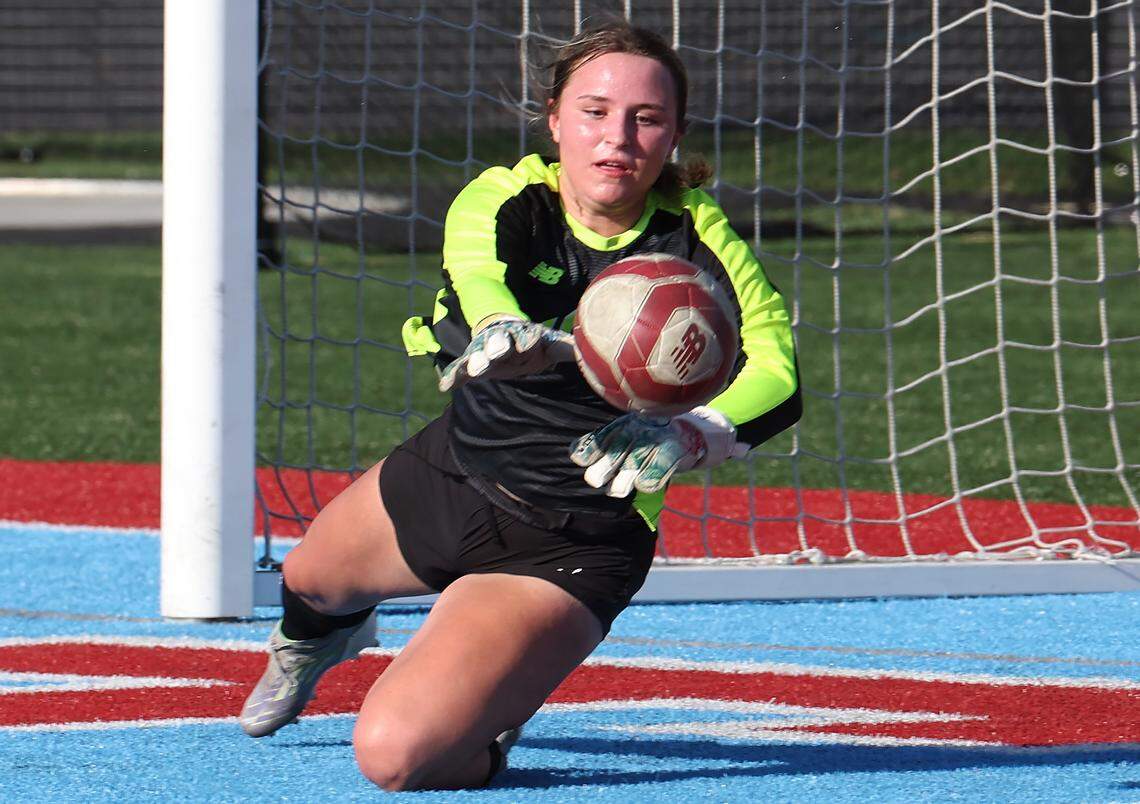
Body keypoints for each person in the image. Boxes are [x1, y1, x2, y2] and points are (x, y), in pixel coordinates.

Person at [238, 21, 801, 791]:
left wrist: (694, 433)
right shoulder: (508, 198)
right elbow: (476, 272)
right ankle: (315, 646)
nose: (619, 138)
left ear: (675, 134)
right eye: (595, 111)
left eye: (646, 118)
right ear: (555, 119)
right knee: (308, 581)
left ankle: (489, 721)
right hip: (457, 467)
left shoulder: (698, 240)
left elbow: (778, 370)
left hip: (571, 539)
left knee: (398, 758)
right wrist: (504, 326)